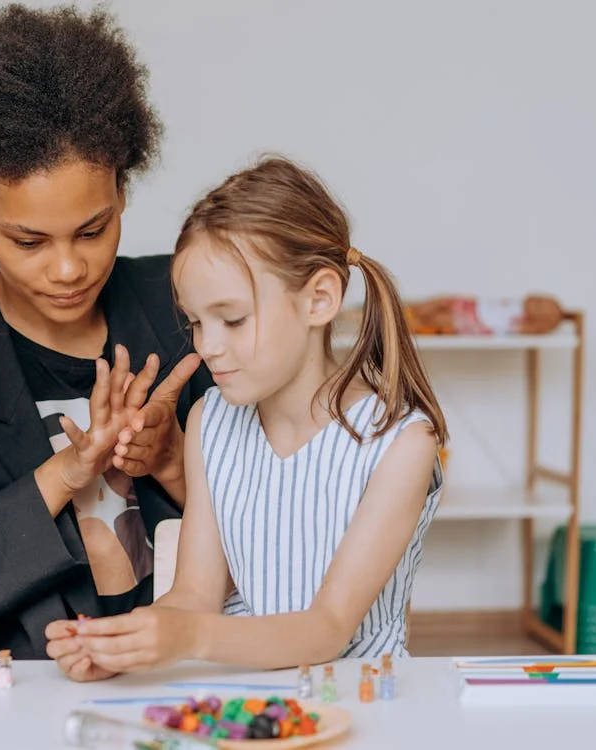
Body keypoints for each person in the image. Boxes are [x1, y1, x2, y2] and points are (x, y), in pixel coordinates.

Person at [47, 156, 447, 679]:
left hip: (354, 698)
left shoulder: (399, 443)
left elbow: (328, 628)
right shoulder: (211, 422)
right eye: (194, 322)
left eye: (232, 319)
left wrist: (187, 636)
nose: (207, 346)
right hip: (234, 694)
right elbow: (195, 593)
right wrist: (121, 644)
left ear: (320, 299)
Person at [0, 4, 213, 660]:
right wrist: (66, 472)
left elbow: (282, 527)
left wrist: (173, 460)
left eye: (93, 230)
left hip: (192, 668)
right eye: (30, 240)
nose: (69, 269)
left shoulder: (191, 306)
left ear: (123, 188)